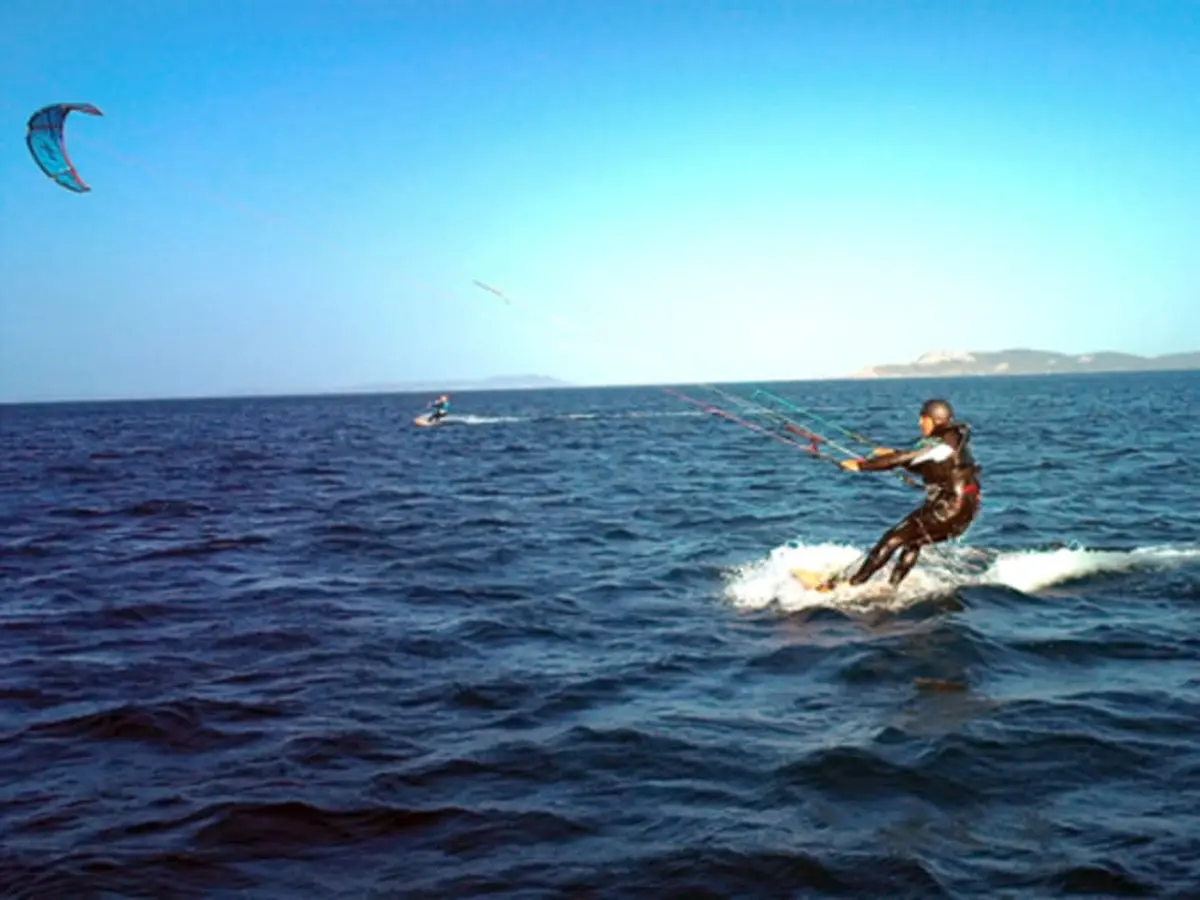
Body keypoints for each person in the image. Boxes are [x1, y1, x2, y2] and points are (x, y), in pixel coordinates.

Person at [818, 398, 981, 591]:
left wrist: (861, 466)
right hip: (966, 511)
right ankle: (892, 587)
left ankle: (849, 586)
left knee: (892, 539)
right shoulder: (953, 442)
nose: (920, 423)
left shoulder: (938, 444)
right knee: (913, 541)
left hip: (948, 509)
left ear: (935, 420)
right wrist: (892, 453)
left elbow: (905, 458)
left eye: (924, 418)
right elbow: (921, 463)